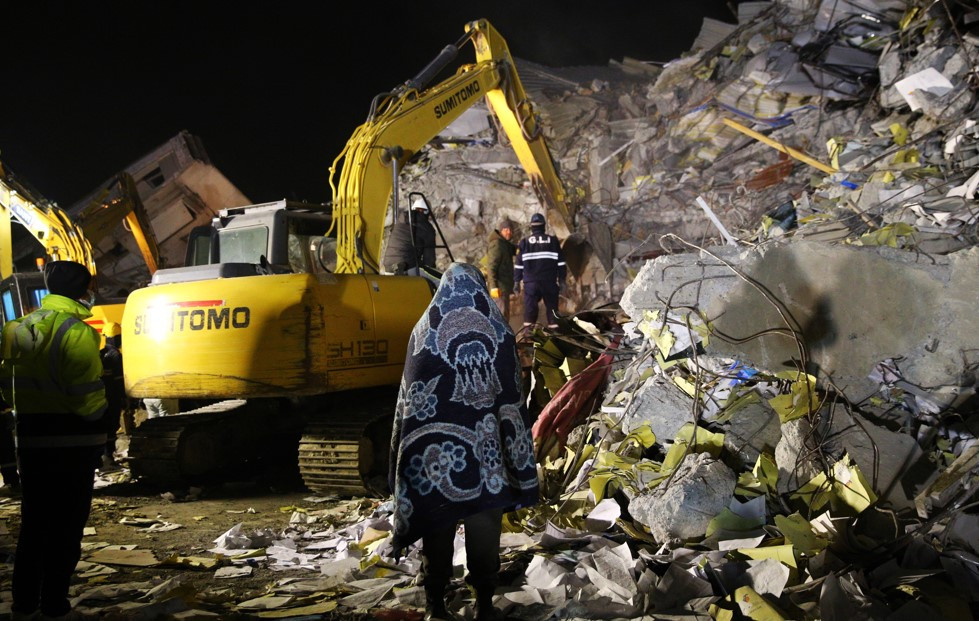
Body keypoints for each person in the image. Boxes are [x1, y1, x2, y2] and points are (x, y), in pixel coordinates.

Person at [389, 263, 539, 621]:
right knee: (484, 531)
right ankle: (484, 605)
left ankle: (434, 607)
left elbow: (409, 397)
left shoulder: (423, 332)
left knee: (436, 527)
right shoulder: (500, 332)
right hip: (487, 460)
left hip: (434, 459)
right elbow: (513, 396)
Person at [0, 260, 107, 621]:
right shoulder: (76, 330)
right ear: (84, 290)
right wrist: (100, 419)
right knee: (66, 526)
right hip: (73, 442)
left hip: (30, 440)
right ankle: (55, 608)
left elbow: (7, 388)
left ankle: (23, 607)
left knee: (34, 525)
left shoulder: (17, 328)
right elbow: (87, 395)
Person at [513, 212, 566, 329]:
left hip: (531, 284)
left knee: (530, 311)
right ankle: (555, 336)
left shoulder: (525, 242)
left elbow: (518, 266)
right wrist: (562, 280)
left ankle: (528, 336)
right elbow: (561, 263)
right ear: (544, 226)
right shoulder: (552, 241)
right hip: (549, 283)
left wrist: (516, 282)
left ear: (531, 227)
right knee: (553, 313)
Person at [383, 198, 437, 274]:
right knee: (436, 281)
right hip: (407, 266)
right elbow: (429, 260)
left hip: (388, 266)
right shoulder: (427, 228)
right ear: (427, 212)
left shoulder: (400, 221)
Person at [99, 323, 125, 470]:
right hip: (113, 397)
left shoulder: (101, 353)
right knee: (112, 426)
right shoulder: (116, 355)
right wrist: (125, 398)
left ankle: (103, 457)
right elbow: (119, 380)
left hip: (101, 396)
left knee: (104, 426)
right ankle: (108, 456)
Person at [485, 217, 517, 322]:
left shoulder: (504, 244)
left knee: (504, 315)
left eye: (510, 230)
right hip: (499, 289)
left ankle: (503, 337)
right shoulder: (497, 244)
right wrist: (494, 287)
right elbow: (491, 267)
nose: (509, 232)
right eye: (506, 230)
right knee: (501, 317)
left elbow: (513, 249)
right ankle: (500, 338)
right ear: (501, 230)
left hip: (503, 288)